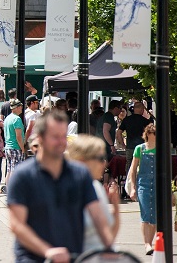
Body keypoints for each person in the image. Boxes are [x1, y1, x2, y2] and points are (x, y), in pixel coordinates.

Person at [7, 110, 113, 263]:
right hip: (33, 258)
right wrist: (47, 251)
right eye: (55, 137)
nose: (61, 142)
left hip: (73, 257)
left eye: (64, 136)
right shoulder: (23, 176)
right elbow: (17, 224)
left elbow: (97, 215)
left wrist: (108, 245)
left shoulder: (79, 174)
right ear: (40, 138)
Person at [66, 135, 120, 253]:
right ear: (81, 160)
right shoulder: (66, 190)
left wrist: (116, 208)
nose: (104, 163)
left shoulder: (96, 187)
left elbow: (110, 238)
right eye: (100, 158)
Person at [127, 123, 157, 255]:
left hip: (157, 184)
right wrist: (133, 188)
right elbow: (133, 170)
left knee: (154, 215)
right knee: (145, 214)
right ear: (147, 135)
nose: (153, 138)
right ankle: (147, 244)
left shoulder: (161, 149)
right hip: (143, 184)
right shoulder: (140, 149)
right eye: (151, 135)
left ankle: (151, 242)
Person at [116, 100, 154, 177]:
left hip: (130, 147)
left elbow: (119, 133)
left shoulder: (126, 120)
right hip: (142, 147)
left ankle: (129, 183)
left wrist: (123, 145)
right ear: (141, 109)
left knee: (129, 166)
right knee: (142, 167)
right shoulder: (145, 121)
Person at [3, 99, 26, 186]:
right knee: (15, 170)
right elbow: (18, 136)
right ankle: (13, 189)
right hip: (16, 147)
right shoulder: (17, 119)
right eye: (20, 106)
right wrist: (23, 148)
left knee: (9, 169)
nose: (21, 108)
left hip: (8, 147)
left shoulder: (8, 118)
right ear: (16, 107)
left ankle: (8, 189)